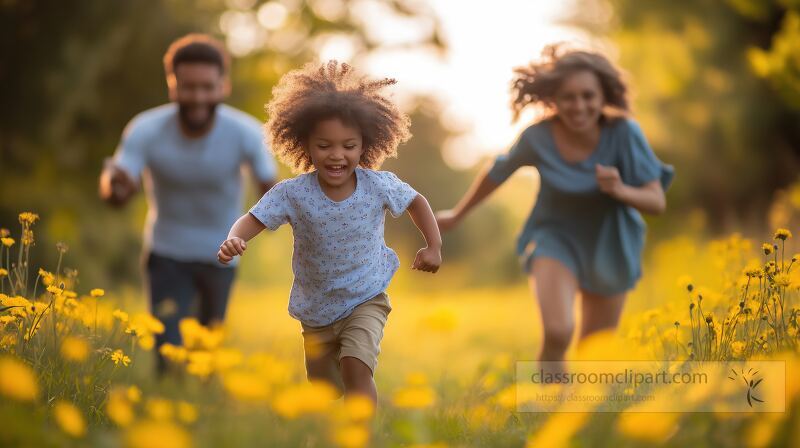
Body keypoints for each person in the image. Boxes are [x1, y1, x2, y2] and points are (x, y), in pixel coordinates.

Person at [435, 45, 673, 374]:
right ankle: (547, 406)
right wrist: (457, 214)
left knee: (595, 352)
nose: (579, 106)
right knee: (559, 330)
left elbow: (656, 201)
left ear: (604, 95)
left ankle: (579, 419)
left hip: (612, 243)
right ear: (552, 100)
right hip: (554, 238)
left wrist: (620, 189)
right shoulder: (538, 137)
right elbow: (497, 172)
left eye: (588, 96)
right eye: (568, 97)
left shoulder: (624, 134)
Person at [217, 60, 441, 406]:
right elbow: (253, 218)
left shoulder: (378, 185)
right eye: (325, 146)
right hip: (316, 308)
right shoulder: (292, 193)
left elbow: (416, 202)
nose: (337, 155)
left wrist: (433, 245)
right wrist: (235, 238)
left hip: (366, 298)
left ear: (365, 144)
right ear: (304, 144)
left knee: (356, 368)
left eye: (348, 146)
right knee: (324, 390)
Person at [98, 34, 278, 369]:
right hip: (167, 253)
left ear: (223, 86)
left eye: (206, 87)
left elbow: (271, 191)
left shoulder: (246, 132)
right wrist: (115, 186)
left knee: (204, 355)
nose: (197, 96)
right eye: (187, 86)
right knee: (168, 353)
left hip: (223, 255)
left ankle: (203, 413)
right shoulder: (146, 129)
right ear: (172, 86)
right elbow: (118, 190)